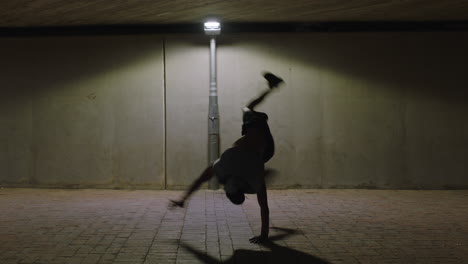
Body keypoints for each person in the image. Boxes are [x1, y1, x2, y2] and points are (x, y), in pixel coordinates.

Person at [169, 72, 284, 244]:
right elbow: (264, 207)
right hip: (263, 145)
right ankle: (272, 87)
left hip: (261, 146)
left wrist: (183, 200)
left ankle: (272, 86)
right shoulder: (248, 178)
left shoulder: (224, 170)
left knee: (248, 108)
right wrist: (264, 235)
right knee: (247, 109)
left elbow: (199, 181)